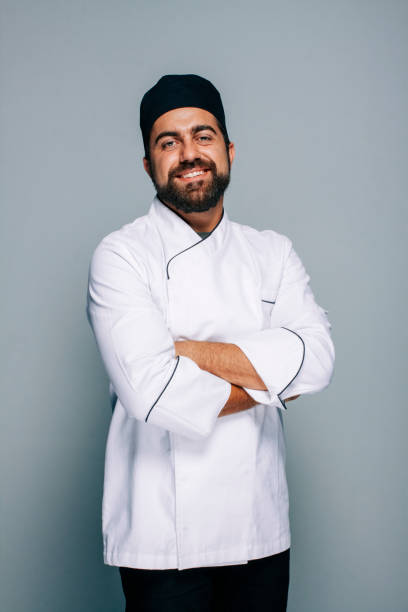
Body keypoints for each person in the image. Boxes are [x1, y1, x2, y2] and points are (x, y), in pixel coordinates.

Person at [86, 74, 335, 611]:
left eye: (203, 135)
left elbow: (316, 362)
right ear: (149, 165)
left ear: (229, 150)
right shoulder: (122, 255)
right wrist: (270, 378)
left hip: (259, 526)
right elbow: (151, 392)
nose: (188, 153)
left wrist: (186, 349)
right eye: (167, 142)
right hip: (162, 539)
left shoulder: (272, 252)